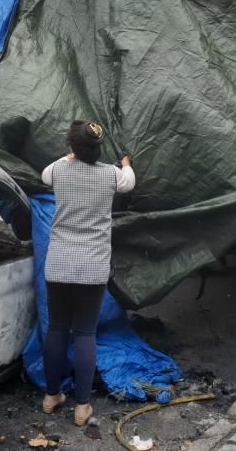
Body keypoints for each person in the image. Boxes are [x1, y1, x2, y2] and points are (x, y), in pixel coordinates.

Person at [40, 120, 135, 427]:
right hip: (92, 267)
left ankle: (51, 396)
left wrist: (70, 156)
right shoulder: (110, 175)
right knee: (84, 333)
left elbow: (46, 173)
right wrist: (126, 163)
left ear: (71, 147)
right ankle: (82, 407)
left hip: (59, 263)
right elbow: (129, 181)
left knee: (56, 328)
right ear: (99, 148)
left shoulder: (58, 171)